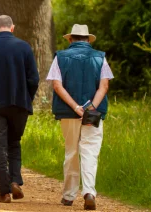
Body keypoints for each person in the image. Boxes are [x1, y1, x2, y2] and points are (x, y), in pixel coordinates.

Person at [47, 24, 113, 210]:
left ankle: (68, 196)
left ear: (70, 39)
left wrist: (76, 107)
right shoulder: (100, 57)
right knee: (90, 151)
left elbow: (57, 86)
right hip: (93, 112)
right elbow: (104, 86)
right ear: (88, 40)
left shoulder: (60, 57)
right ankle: (89, 192)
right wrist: (91, 106)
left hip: (69, 112)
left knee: (71, 152)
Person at [0, 15, 40, 203]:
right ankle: (15, 181)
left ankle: (4, 192)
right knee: (14, 143)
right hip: (19, 104)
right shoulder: (24, 47)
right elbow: (33, 79)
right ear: (13, 28)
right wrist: (27, 98)